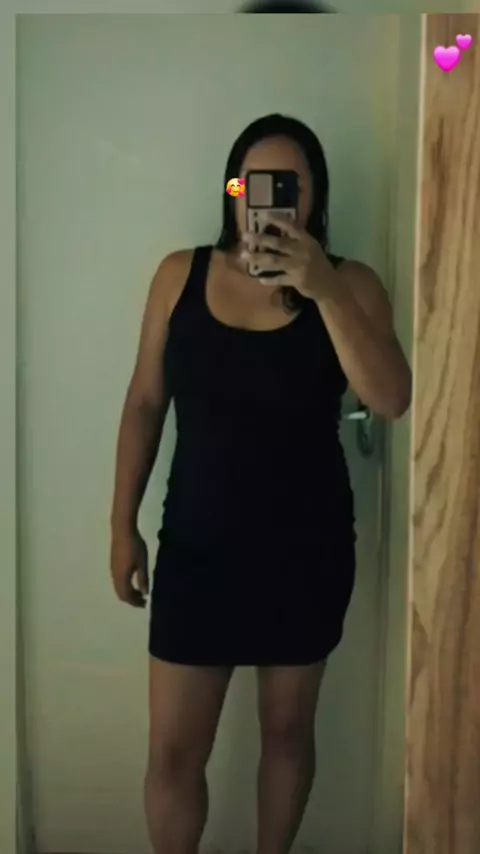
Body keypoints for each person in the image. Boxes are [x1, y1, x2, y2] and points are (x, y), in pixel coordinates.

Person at [109, 113, 411, 854]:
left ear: (314, 198)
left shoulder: (352, 285)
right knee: (172, 754)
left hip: (304, 551)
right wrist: (121, 525)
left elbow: (390, 398)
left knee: (286, 733)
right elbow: (144, 402)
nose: (269, 200)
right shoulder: (178, 276)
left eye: (289, 186)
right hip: (197, 550)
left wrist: (323, 290)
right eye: (253, 184)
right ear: (233, 191)